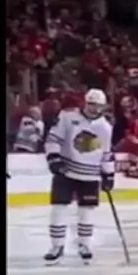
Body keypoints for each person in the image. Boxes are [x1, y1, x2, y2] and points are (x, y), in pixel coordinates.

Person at [43, 88, 114, 265]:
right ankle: (57, 247)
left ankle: (84, 245)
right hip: (66, 171)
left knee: (86, 211)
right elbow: (53, 139)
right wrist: (53, 158)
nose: (94, 109)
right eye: (91, 104)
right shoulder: (67, 117)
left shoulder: (105, 127)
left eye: (98, 105)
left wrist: (109, 174)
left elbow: (106, 152)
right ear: (85, 102)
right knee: (58, 208)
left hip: (90, 175)